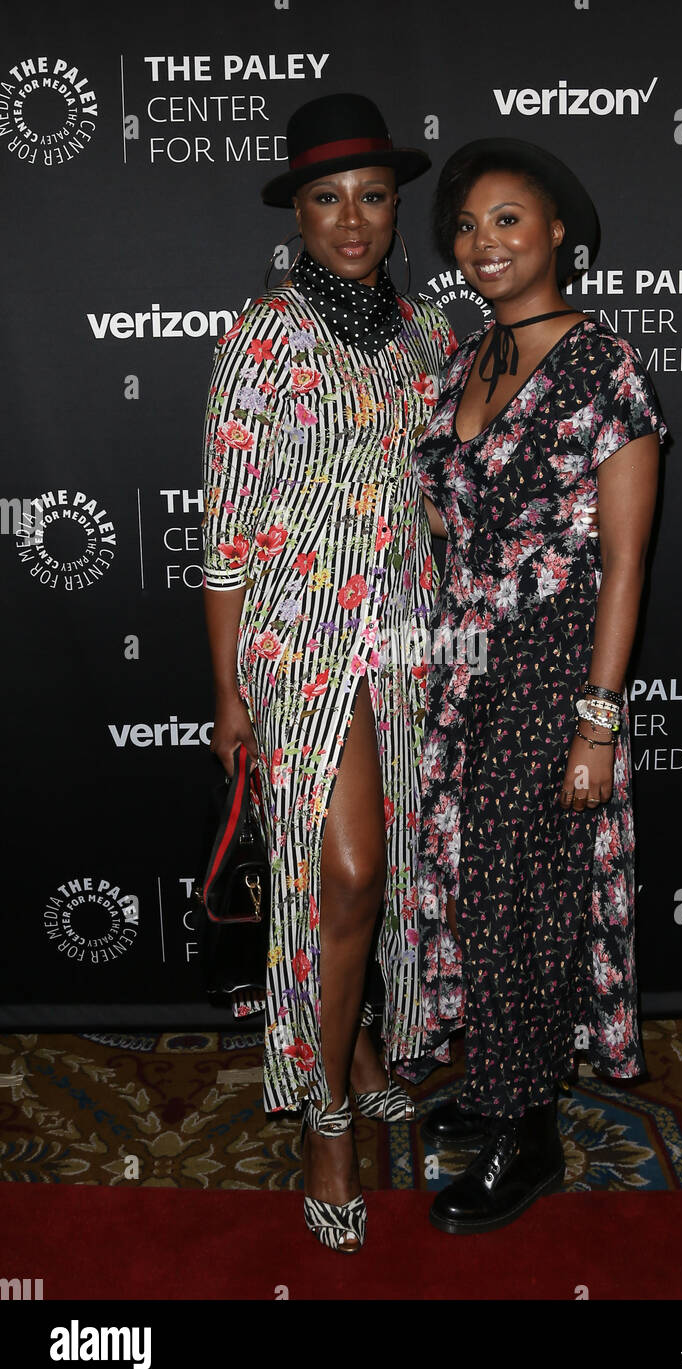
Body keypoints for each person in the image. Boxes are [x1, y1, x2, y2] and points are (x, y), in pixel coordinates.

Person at [200, 93, 455, 1253]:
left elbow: (440, 501)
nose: (350, 220)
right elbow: (224, 539)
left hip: (404, 636)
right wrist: (227, 694)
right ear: (295, 214)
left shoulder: (424, 338)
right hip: (298, 641)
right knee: (341, 875)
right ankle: (325, 1113)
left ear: (392, 207)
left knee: (376, 871)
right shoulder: (260, 336)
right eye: (324, 199)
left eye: (369, 197)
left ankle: (352, 1042)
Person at [412, 137, 668, 1233]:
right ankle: (497, 1083)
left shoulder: (602, 363)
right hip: (466, 666)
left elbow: (624, 560)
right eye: (466, 228)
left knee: (527, 898)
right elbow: (446, 517)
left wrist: (596, 722)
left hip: (554, 670)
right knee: (480, 891)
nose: (484, 244)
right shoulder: (467, 359)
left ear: (558, 227)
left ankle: (528, 1135)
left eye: (507, 220)